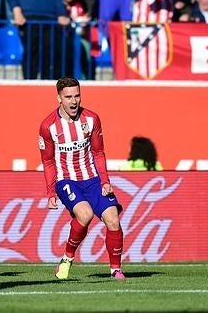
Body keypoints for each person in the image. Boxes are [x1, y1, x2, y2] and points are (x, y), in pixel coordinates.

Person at [39, 76, 126, 280]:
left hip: (93, 179)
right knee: (85, 214)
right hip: (66, 180)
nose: (74, 101)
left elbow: (98, 152)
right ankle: (67, 258)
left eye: (77, 95)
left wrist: (105, 181)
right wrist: (51, 191)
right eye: (68, 97)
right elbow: (49, 162)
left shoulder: (92, 119)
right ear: (58, 98)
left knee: (113, 220)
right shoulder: (47, 127)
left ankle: (115, 269)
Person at [4, 0, 72, 80]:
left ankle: (47, 88)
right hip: (28, 17)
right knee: (31, 54)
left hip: (51, 18)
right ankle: (29, 88)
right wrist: (17, 11)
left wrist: (61, 13)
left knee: (49, 56)